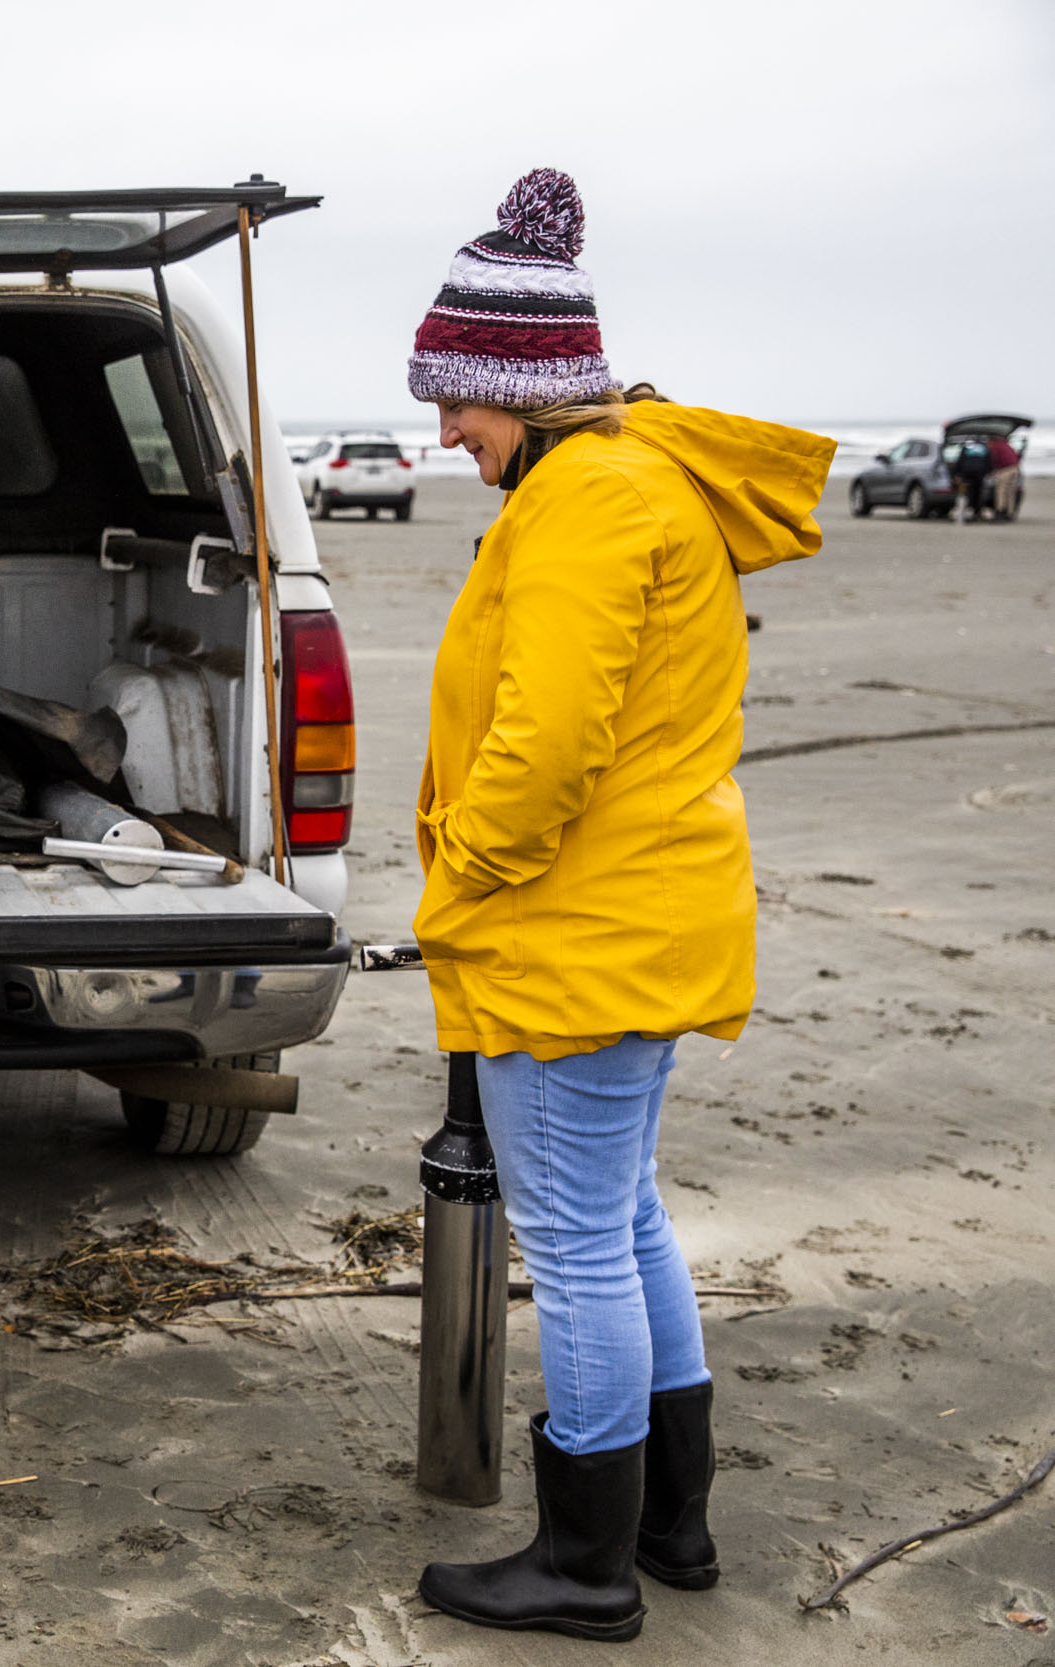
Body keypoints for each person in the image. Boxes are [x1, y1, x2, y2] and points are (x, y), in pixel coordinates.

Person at [403, 169, 835, 1642]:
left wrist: (454, 891)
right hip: (639, 914)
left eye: (456, 397)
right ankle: (671, 1521)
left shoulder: (589, 500)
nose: (443, 428)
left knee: (578, 1241)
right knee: (623, 1216)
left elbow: (545, 747)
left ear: (522, 385)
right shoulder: (635, 481)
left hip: (576, 934)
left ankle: (585, 1559)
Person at [986, 432, 1022, 520]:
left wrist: (992, 470)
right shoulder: (1006, 445)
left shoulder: (995, 446)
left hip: (1005, 469)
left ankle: (1000, 512)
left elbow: (994, 459)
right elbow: (1017, 456)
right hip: (1015, 468)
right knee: (1010, 492)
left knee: (1001, 491)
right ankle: (1010, 513)